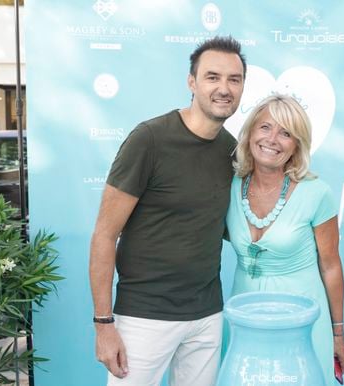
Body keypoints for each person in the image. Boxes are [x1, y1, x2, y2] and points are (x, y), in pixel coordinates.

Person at [89, 36, 246, 386]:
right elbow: (104, 233)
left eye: (234, 80)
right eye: (212, 77)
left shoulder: (232, 151)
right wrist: (103, 324)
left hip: (207, 316)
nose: (224, 88)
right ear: (192, 82)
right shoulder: (149, 139)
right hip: (144, 317)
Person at [225, 94, 344, 385]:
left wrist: (338, 334)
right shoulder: (228, 186)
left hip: (301, 322)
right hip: (244, 316)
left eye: (286, 133)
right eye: (265, 127)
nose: (272, 139)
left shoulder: (317, 193)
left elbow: (331, 266)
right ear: (250, 132)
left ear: (296, 145)